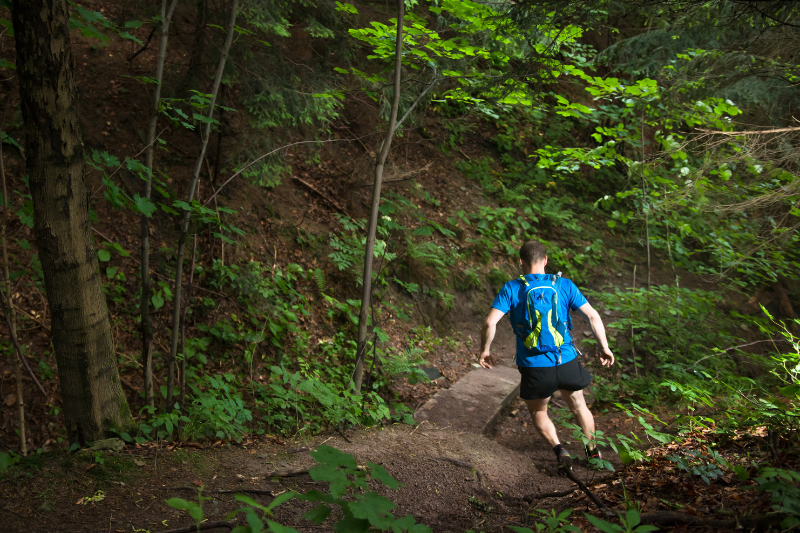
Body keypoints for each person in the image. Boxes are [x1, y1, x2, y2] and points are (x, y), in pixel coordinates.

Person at [478, 241, 614, 468]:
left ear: (520, 262)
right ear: (546, 260)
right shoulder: (564, 285)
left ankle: (560, 450)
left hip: (534, 367)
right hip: (566, 359)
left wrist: (485, 350)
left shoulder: (512, 288)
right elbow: (592, 316)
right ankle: (592, 453)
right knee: (580, 407)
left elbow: (489, 322)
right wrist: (605, 346)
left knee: (539, 411)